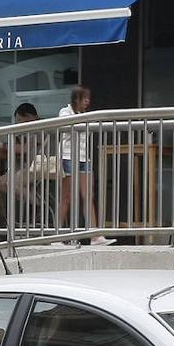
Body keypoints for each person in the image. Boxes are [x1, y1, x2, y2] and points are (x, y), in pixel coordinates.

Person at [57, 86, 115, 246]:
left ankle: (95, 236)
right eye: (84, 98)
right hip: (68, 156)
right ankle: (57, 237)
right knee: (66, 197)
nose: (87, 101)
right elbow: (66, 126)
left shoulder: (86, 115)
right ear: (76, 99)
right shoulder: (65, 111)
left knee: (88, 196)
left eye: (88, 98)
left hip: (84, 157)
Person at [0, 103, 40, 204]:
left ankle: (37, 205)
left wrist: (4, 146)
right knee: (0, 182)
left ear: (29, 116)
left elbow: (25, 148)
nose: (19, 124)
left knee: (10, 182)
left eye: (20, 120)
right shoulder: (32, 130)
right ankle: (27, 205)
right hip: (32, 168)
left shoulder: (41, 128)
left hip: (40, 168)